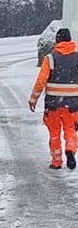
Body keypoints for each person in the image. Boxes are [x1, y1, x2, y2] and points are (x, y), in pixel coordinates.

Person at [29, 27, 78, 170]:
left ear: (57, 41)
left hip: (53, 104)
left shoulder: (50, 58)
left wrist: (33, 99)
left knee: (54, 133)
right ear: (70, 40)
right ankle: (70, 150)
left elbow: (41, 81)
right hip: (73, 104)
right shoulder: (77, 58)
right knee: (71, 130)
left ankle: (56, 162)